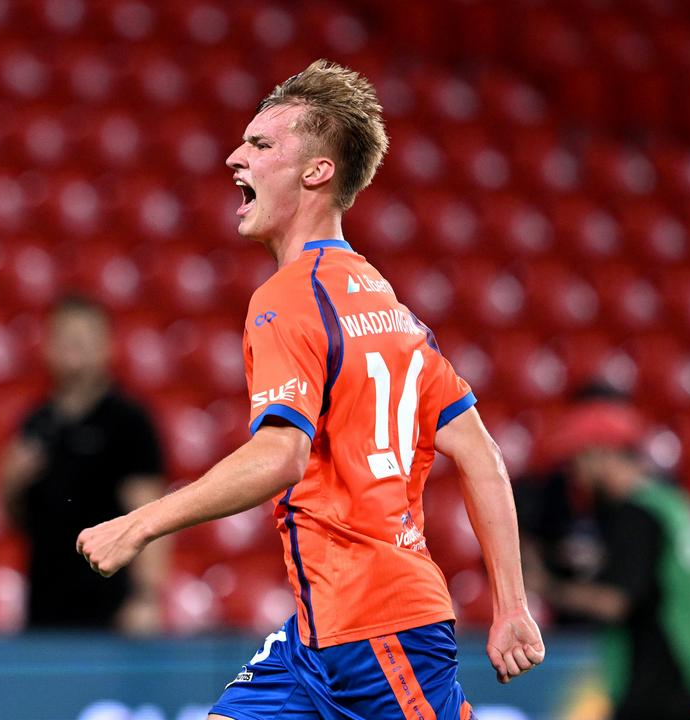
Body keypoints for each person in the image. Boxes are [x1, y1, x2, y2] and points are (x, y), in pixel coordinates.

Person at [76, 59, 544, 719]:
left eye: (261, 145)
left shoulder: (289, 298)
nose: (236, 156)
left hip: (378, 628)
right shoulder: (389, 306)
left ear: (316, 172)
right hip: (320, 634)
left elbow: (280, 456)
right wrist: (512, 607)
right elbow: (481, 453)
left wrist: (140, 525)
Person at [536, 401, 690, 720]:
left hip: (654, 687)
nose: (575, 474)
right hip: (687, 672)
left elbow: (615, 601)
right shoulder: (671, 503)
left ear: (602, 454)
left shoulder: (635, 514)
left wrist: (548, 587)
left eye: (578, 460)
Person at [0, 295, 168, 632]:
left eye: (84, 339)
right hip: (45, 606)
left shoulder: (128, 422)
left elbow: (152, 514)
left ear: (107, 347)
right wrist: (9, 481)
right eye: (63, 338)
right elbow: (15, 518)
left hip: (110, 605)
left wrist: (147, 598)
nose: (73, 349)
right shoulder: (37, 422)